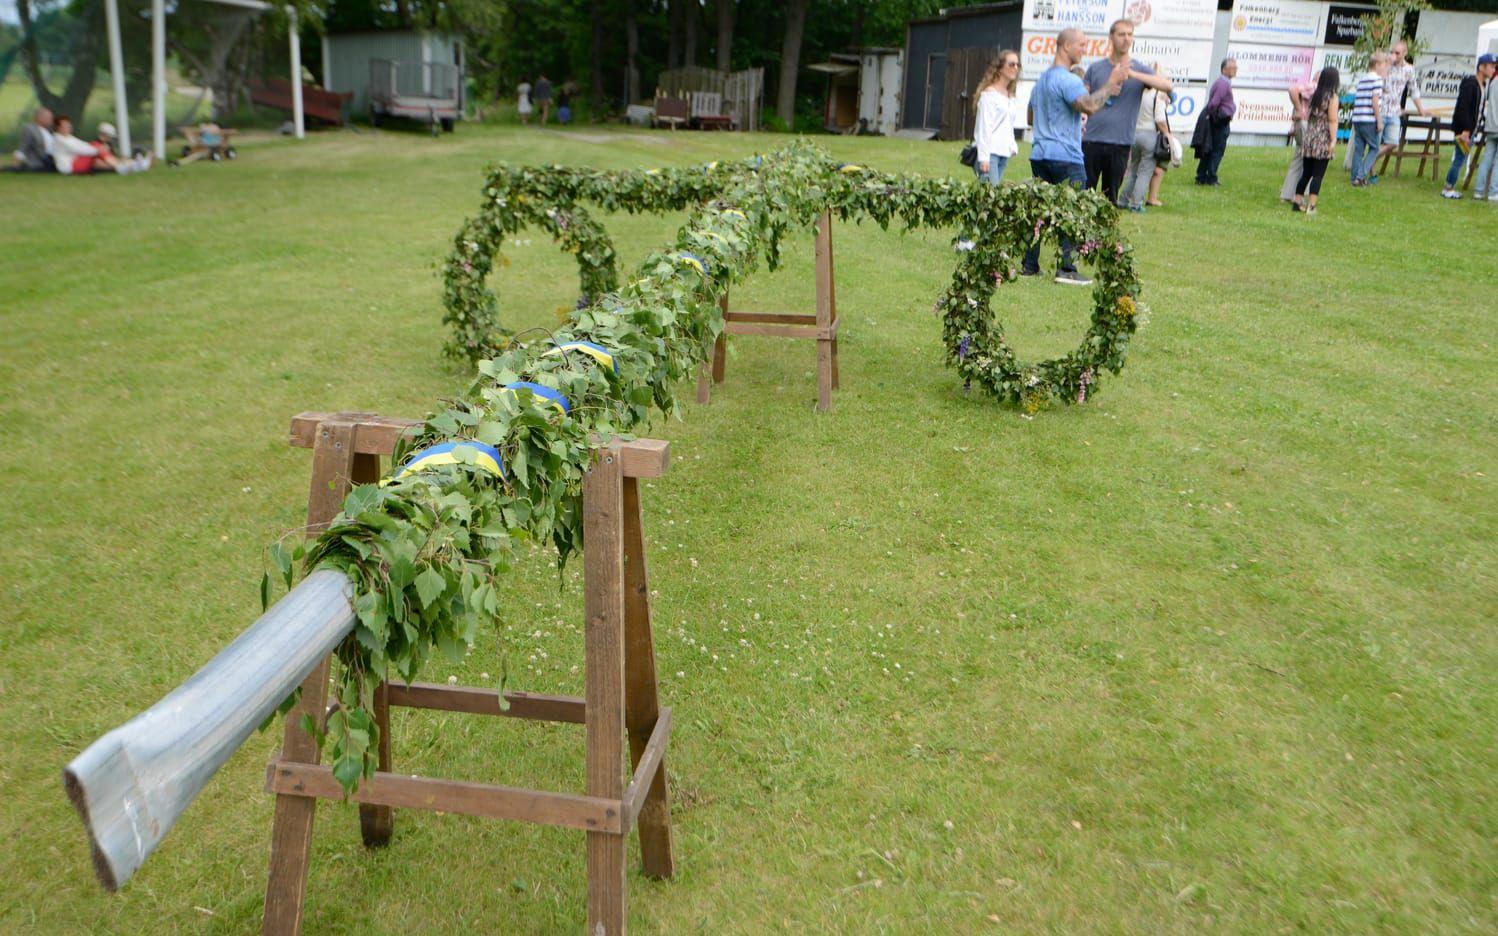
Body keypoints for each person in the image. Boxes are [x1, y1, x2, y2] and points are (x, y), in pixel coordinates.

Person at [1020, 28, 1124, 286]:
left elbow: (1029, 117)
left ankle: (1029, 265)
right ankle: (1067, 269)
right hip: (1066, 156)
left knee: (1039, 212)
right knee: (1073, 212)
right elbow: (1088, 105)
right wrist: (1110, 87)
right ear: (1065, 46)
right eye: (1081, 44)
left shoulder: (1042, 80)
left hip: (1039, 154)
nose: (1084, 49)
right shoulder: (1068, 81)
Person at [1082, 19, 1172, 206]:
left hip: (1120, 143)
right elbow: (1084, 98)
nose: (1126, 39)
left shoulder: (1139, 68)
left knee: (1110, 200)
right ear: (1111, 37)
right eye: (1121, 34)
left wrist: (1132, 75)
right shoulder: (1096, 68)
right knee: (1084, 196)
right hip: (1092, 140)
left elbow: (1167, 85)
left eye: (1130, 34)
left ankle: (1102, 235)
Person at [1443, 54, 1495, 200]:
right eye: (1490, 66)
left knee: (1462, 158)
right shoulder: (1470, 84)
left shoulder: (1483, 86)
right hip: (1464, 129)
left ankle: (1449, 186)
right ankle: (1448, 187)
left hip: (1472, 129)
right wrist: (1466, 129)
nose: (1492, 69)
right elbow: (1463, 108)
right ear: (1481, 67)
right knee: (1459, 159)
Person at [1292, 67, 1340, 217]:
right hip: (1322, 138)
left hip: (1310, 136)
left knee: (1306, 173)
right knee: (1318, 175)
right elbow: (1332, 120)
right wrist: (1333, 140)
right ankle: (1311, 206)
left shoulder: (1314, 95)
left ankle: (1297, 201)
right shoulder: (1332, 97)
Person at [971, 50, 1022, 185]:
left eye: (1018, 65)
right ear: (999, 68)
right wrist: (984, 157)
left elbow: (1008, 125)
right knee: (990, 198)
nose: (1015, 68)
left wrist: (1012, 146)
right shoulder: (989, 95)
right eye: (1011, 64)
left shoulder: (1009, 96)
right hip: (990, 154)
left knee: (994, 197)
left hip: (1003, 153)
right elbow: (984, 127)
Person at [1377, 40, 1429, 167]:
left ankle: (1369, 160)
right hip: (1380, 108)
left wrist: (1420, 109)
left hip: (1394, 111)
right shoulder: (1385, 65)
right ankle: (1370, 172)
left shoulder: (1409, 69)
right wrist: (1388, 64)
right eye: (1393, 52)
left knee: (1393, 142)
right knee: (1376, 143)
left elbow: (1414, 90)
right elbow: (1377, 80)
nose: (1394, 55)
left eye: (1398, 53)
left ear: (1405, 53)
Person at [1121, 81, 1170, 212]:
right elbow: (1160, 119)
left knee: (1133, 170)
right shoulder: (1157, 96)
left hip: (1135, 133)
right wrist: (1168, 135)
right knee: (1145, 172)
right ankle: (1136, 203)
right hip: (1150, 135)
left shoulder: (1138, 94)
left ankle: (1123, 200)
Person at [1194, 58, 1236, 186]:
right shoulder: (1223, 83)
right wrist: (1217, 117)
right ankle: (1211, 177)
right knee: (1217, 150)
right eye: (1232, 67)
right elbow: (1213, 104)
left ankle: (1201, 176)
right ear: (1224, 69)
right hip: (1219, 121)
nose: (1235, 70)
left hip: (1216, 119)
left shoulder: (1222, 82)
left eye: (1235, 67)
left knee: (1210, 149)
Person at [1349, 52, 1388, 186]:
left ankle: (1354, 176)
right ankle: (1360, 176)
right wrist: (1379, 120)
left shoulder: (1362, 79)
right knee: (1374, 148)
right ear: (1377, 65)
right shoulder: (1377, 80)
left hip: (1358, 118)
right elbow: (1375, 101)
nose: (1385, 68)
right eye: (1384, 65)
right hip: (1369, 119)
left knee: (1359, 149)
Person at [1280, 74, 1318, 202]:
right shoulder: (1314, 86)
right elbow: (1292, 89)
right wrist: (1299, 109)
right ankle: (1299, 194)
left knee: (1299, 159)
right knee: (1307, 160)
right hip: (1305, 124)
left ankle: (1288, 194)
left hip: (1301, 124)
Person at [1474, 58, 1498, 202]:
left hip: (1490, 125)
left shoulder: (1493, 83)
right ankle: (1494, 192)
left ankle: (1479, 190)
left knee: (1487, 159)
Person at [9, 107, 55, 172]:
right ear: (40, 118)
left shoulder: (49, 130)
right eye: (49, 118)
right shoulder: (30, 129)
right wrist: (16, 163)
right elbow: (23, 147)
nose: (51, 120)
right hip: (39, 162)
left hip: (52, 159)